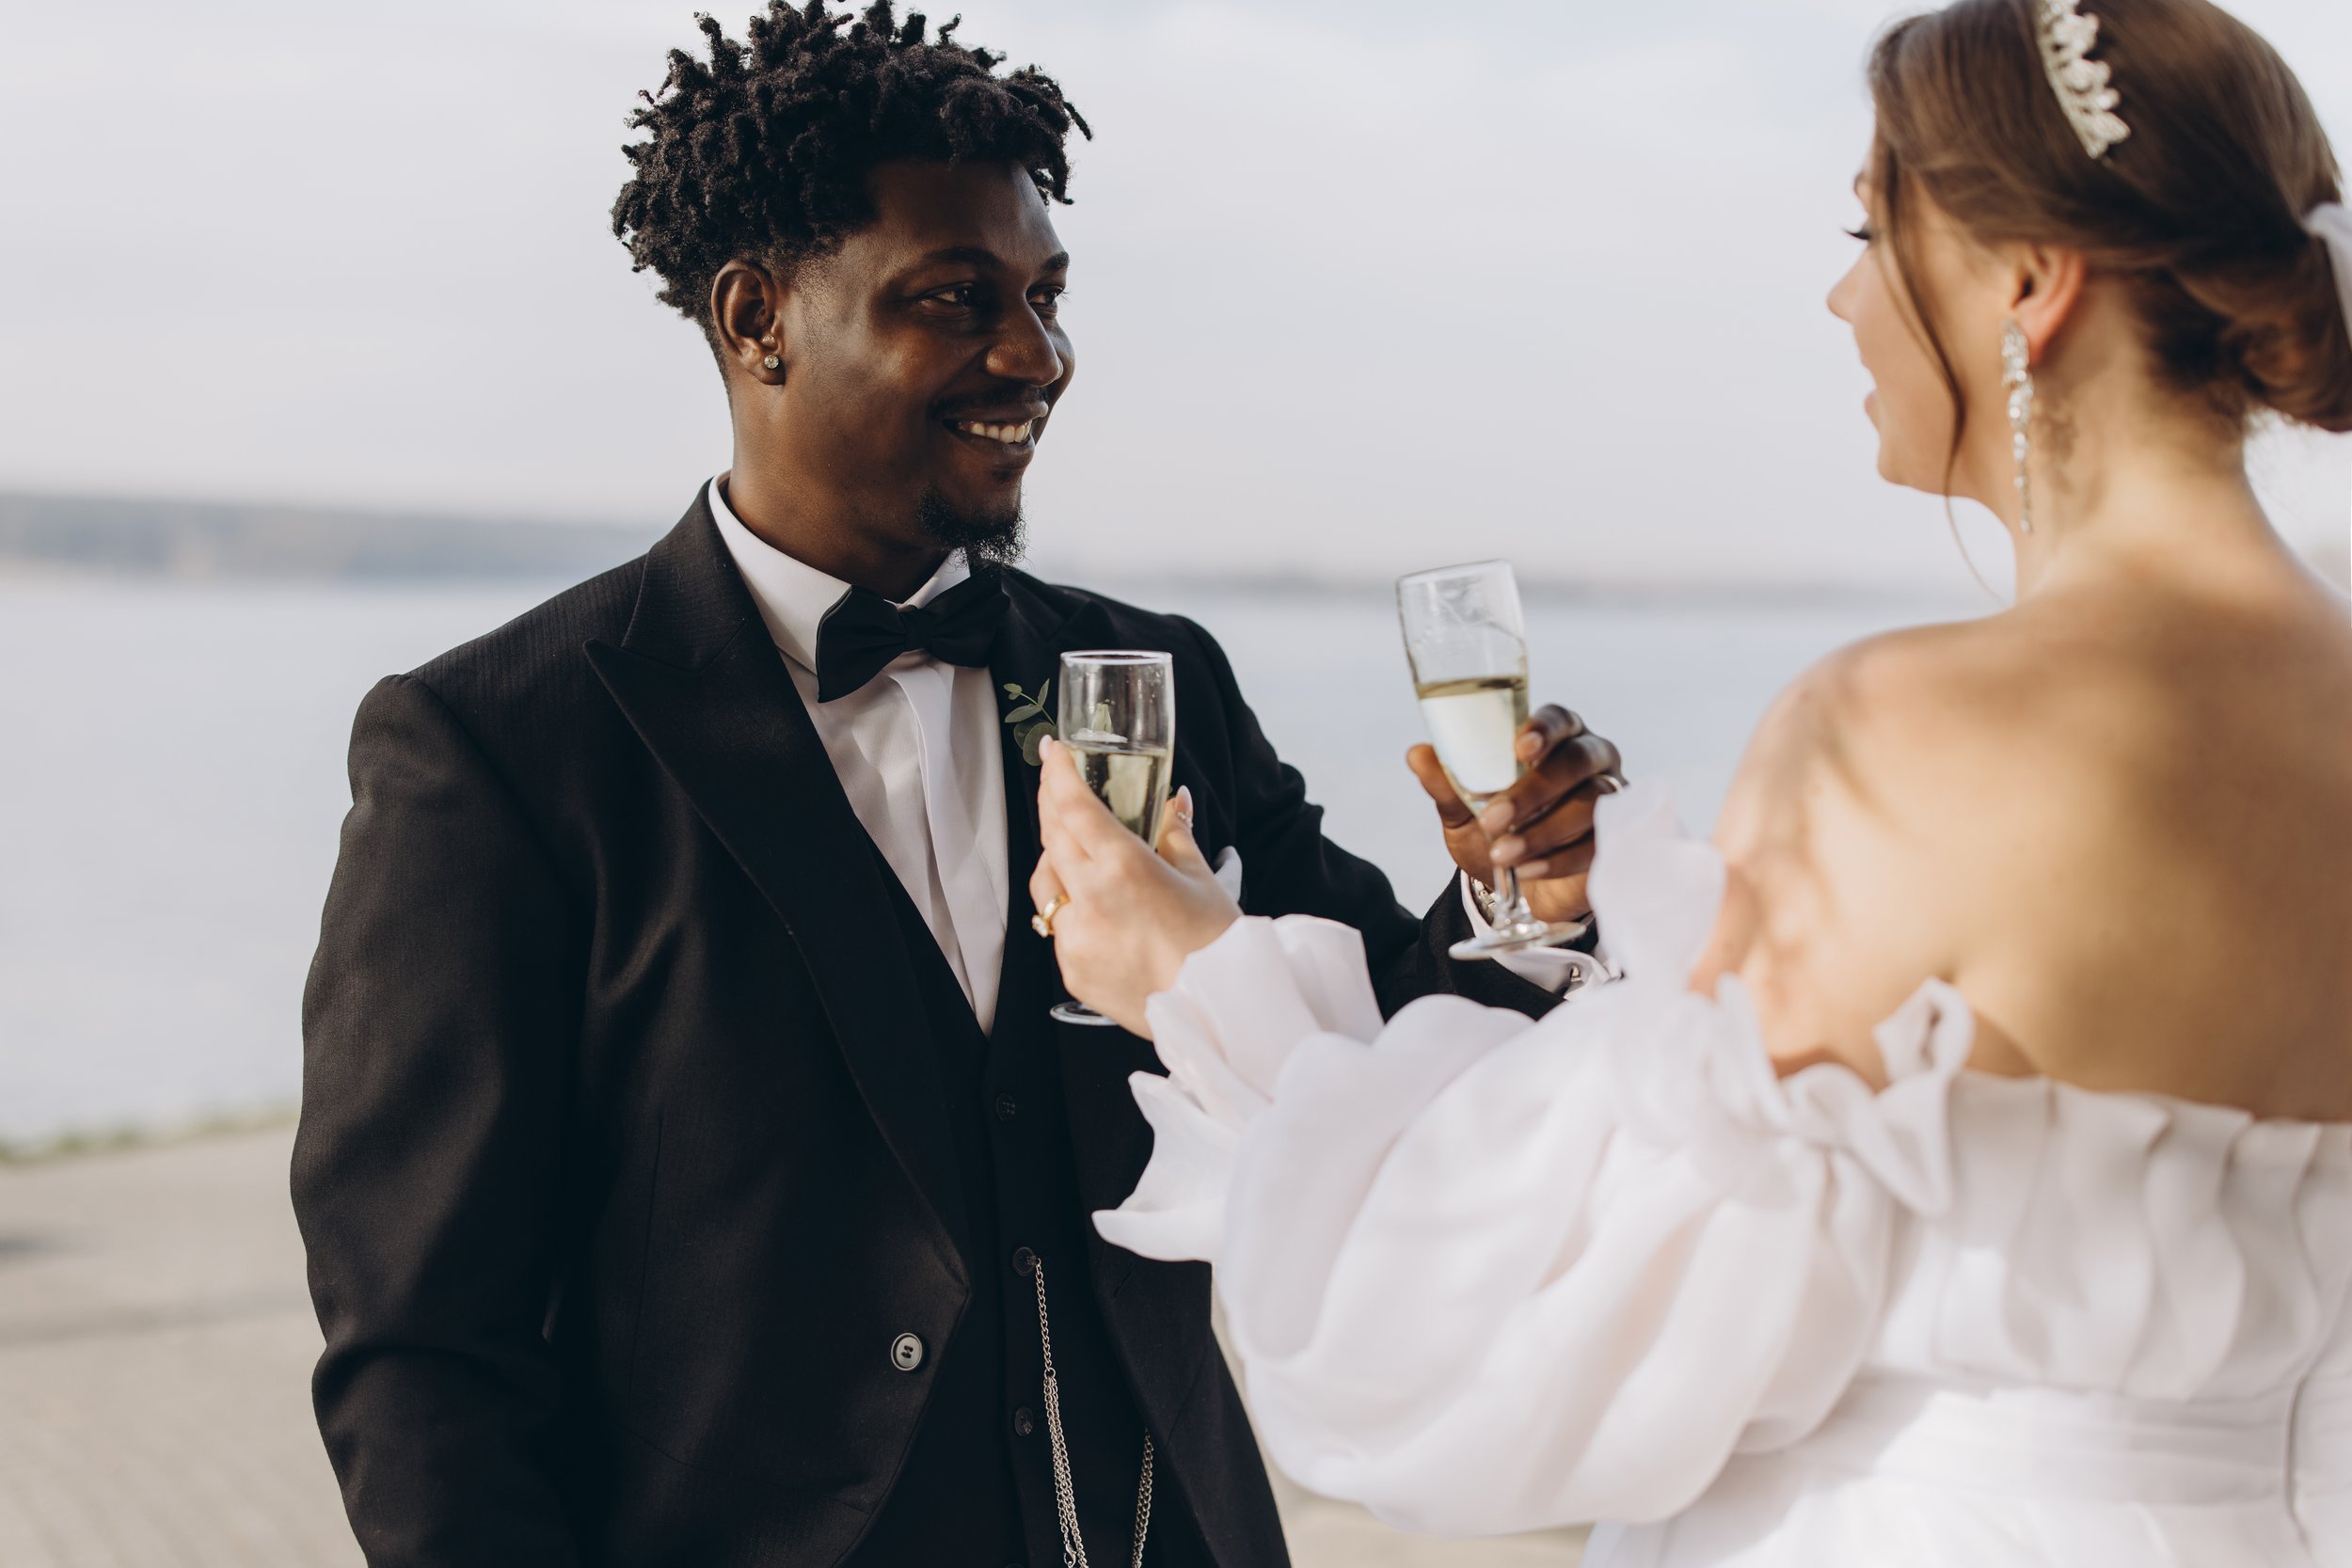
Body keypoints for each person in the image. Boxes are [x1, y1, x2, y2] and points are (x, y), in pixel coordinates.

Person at [291, 6, 1623, 1566]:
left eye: (1047, 298)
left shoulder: (1152, 681)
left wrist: (1517, 898)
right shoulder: (498, 753)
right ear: (755, 318)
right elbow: (423, 1356)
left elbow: (1391, 1053)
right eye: (956, 300)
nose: (1036, 356)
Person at [1034, 0, 2352, 1561]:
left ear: (2029, 279)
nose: (1843, 289)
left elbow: (1511, 1327)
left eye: (1874, 227)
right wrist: (1633, 941)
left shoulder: (1901, 730)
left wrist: (1205, 978)